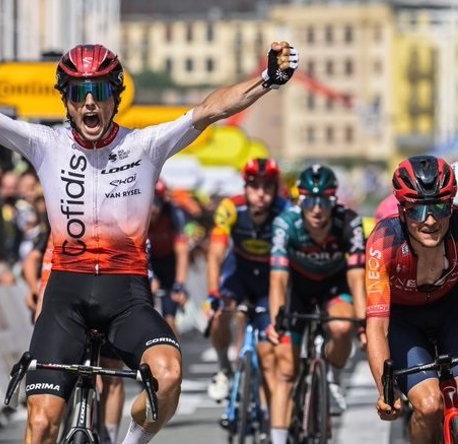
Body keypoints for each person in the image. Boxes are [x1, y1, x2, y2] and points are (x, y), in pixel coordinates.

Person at [0, 40, 299, 443]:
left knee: (167, 376)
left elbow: (210, 109)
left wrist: (266, 78)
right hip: (65, 297)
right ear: (66, 100)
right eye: (78, 92)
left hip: (126, 294)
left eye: (97, 90)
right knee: (41, 423)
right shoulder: (45, 145)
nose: (88, 101)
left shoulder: (144, 145)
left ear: (115, 95)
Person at [267, 164, 366, 444]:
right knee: (285, 369)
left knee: (342, 327)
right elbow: (277, 280)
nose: (317, 209)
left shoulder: (349, 222)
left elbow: (358, 279)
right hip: (297, 290)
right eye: (309, 201)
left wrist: (363, 326)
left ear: (334, 200)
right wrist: (277, 322)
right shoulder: (286, 223)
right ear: (300, 201)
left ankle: (332, 378)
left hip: (333, 288)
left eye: (324, 200)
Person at [367, 156, 458, 443]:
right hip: (405, 323)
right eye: (418, 211)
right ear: (403, 212)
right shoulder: (385, 241)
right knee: (429, 405)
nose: (430, 220)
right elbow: (377, 327)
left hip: (451, 313)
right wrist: (386, 390)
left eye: (440, 207)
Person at [204, 158, 288, 409]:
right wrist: (212, 293)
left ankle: (267, 412)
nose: (261, 194)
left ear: (275, 189)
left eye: (267, 187)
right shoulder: (230, 208)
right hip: (238, 273)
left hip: (269, 279)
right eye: (254, 186)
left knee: (269, 345)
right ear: (245, 187)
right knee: (219, 315)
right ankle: (223, 370)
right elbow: (215, 254)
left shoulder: (285, 211)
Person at [148, 179, 189, 334]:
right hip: (146, 262)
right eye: (150, 203)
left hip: (168, 264)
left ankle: (175, 356)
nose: (153, 209)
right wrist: (149, 275)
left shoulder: (174, 213)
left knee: (170, 320)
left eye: (157, 203)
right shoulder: (136, 214)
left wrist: (180, 284)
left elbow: (182, 252)